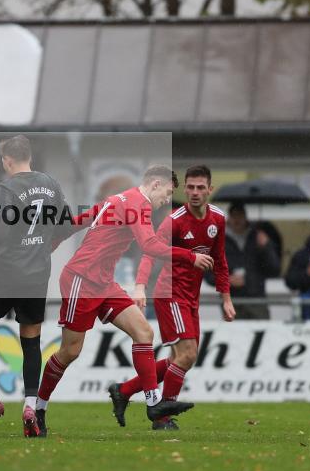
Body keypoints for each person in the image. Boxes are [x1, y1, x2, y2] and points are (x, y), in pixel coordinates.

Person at [35, 165, 205, 436]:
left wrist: (55, 238)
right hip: (82, 278)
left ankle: (153, 404)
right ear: (156, 184)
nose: (166, 200)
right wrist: (190, 256)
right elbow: (149, 245)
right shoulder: (139, 205)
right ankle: (38, 408)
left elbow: (83, 219)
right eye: (168, 193)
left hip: (104, 282)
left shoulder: (118, 199)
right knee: (70, 352)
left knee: (144, 331)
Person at [0, 135, 69, 437]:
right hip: (36, 274)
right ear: (28, 156)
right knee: (31, 340)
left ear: (7, 159)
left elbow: (3, 231)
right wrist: (44, 246)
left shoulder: (6, 187)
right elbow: (66, 223)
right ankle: (31, 405)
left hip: (6, 271)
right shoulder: (51, 184)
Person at [114, 165, 236, 431]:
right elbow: (148, 252)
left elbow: (221, 261)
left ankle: (123, 390)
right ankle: (162, 416)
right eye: (190, 187)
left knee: (179, 360)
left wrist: (226, 298)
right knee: (187, 354)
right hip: (169, 294)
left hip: (191, 297)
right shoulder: (175, 220)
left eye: (200, 187)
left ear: (209, 190)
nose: (194, 192)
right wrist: (140, 286)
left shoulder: (217, 219)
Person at [205, 202, 279, 320]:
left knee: (260, 334)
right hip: (231, 301)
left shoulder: (258, 237)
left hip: (257, 299)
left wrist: (266, 247)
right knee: (233, 336)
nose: (237, 220)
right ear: (228, 218)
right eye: (234, 216)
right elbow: (208, 274)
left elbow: (274, 269)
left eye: (240, 216)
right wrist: (226, 280)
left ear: (246, 218)